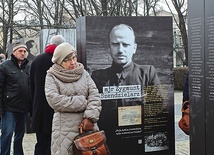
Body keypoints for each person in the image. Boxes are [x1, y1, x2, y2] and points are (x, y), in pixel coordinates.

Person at [91, 24, 162, 155]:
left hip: (138, 144)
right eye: (115, 44)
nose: (120, 50)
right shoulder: (98, 77)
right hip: (108, 145)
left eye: (126, 44)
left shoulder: (147, 74)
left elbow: (156, 109)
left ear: (134, 48)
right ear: (109, 47)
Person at [44, 42, 102, 155]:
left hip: (87, 126)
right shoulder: (52, 76)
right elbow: (54, 100)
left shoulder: (83, 73)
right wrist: (82, 102)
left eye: (74, 57)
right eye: (67, 60)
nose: (73, 62)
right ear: (59, 62)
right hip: (64, 130)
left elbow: (95, 95)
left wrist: (90, 117)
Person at [30, 35, 65, 155]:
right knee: (54, 143)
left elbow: (32, 85)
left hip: (39, 108)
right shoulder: (61, 61)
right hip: (55, 108)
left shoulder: (37, 59)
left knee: (41, 143)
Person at [0, 41, 31, 155]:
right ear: (14, 52)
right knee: (7, 133)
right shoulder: (4, 66)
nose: (23, 53)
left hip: (23, 108)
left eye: (24, 51)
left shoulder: (28, 67)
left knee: (20, 134)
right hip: (9, 108)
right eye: (20, 51)